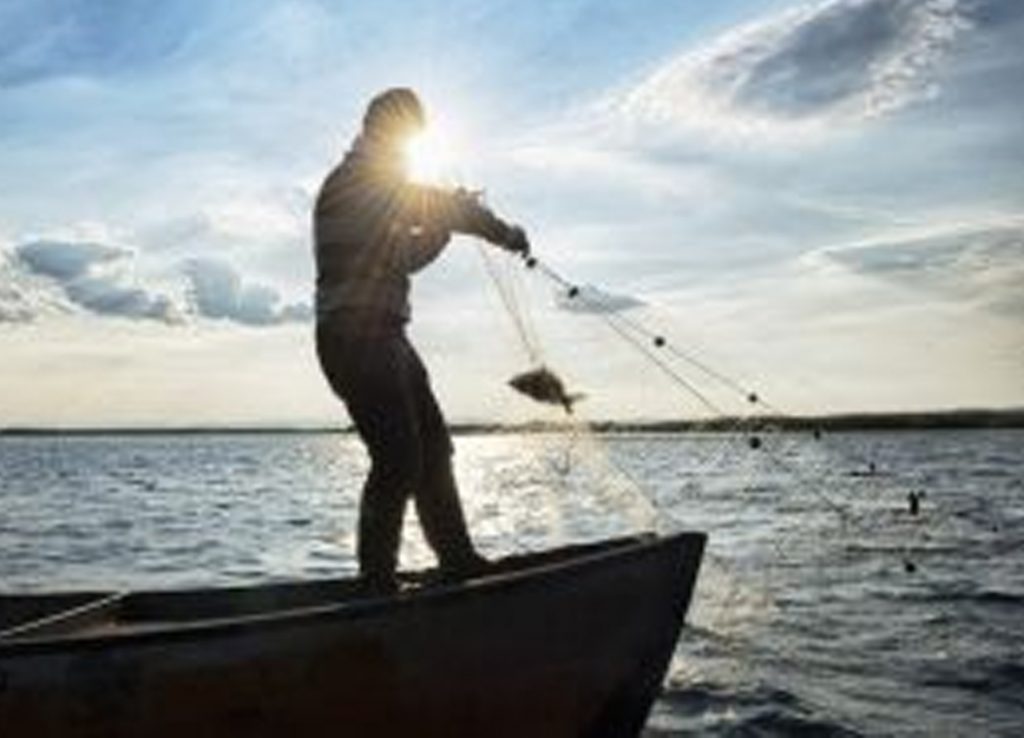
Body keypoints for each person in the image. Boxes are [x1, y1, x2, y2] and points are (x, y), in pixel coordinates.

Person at [313, 87, 529, 592]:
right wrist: (504, 232)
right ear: (380, 131)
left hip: (384, 333)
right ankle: (375, 585)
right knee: (398, 457)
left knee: (433, 447)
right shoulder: (356, 183)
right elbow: (439, 209)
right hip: (354, 335)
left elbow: (404, 257)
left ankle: (458, 561)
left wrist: (443, 226)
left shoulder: (378, 186)